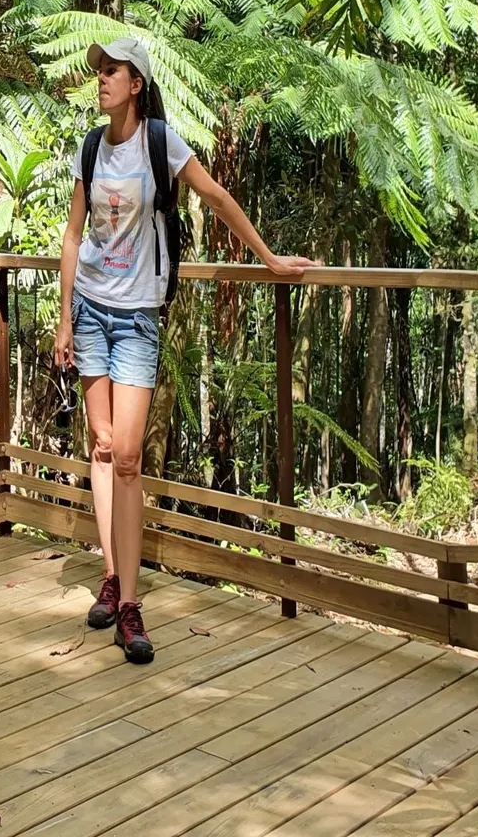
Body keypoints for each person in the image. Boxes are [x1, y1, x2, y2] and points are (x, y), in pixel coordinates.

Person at [54, 37, 317, 665]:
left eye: (111, 72)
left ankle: (132, 605)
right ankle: (112, 579)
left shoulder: (159, 142)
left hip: (138, 315)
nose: (101, 82)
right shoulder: (91, 146)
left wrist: (270, 260)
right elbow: (72, 235)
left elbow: (218, 197)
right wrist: (64, 319)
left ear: (137, 82)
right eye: (98, 73)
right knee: (99, 444)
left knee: (127, 455)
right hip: (89, 308)